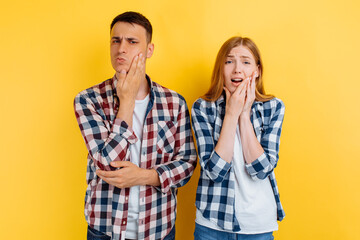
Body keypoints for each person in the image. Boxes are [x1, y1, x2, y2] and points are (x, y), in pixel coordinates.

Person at [74, 11, 197, 240]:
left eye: (132, 42)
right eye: (116, 40)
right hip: (104, 230)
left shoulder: (174, 103)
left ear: (149, 50)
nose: (121, 48)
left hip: (158, 229)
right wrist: (127, 100)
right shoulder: (88, 99)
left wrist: (144, 176)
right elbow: (107, 164)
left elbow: (187, 164)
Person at [191, 36, 285, 240]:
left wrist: (244, 114)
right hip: (212, 222)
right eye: (229, 61)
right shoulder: (202, 108)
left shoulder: (274, 107)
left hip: (257, 225)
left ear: (257, 70)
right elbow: (214, 171)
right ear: (220, 69)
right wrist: (231, 114)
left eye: (245, 61)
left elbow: (261, 170)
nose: (237, 69)